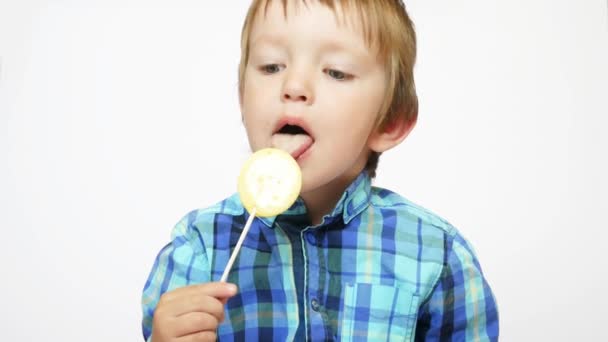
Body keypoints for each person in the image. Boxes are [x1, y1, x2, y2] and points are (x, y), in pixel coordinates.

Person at [141, 0, 499, 340]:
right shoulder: (200, 247)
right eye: (271, 66)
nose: (293, 86)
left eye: (336, 72)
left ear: (390, 121)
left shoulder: (435, 254)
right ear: (241, 98)